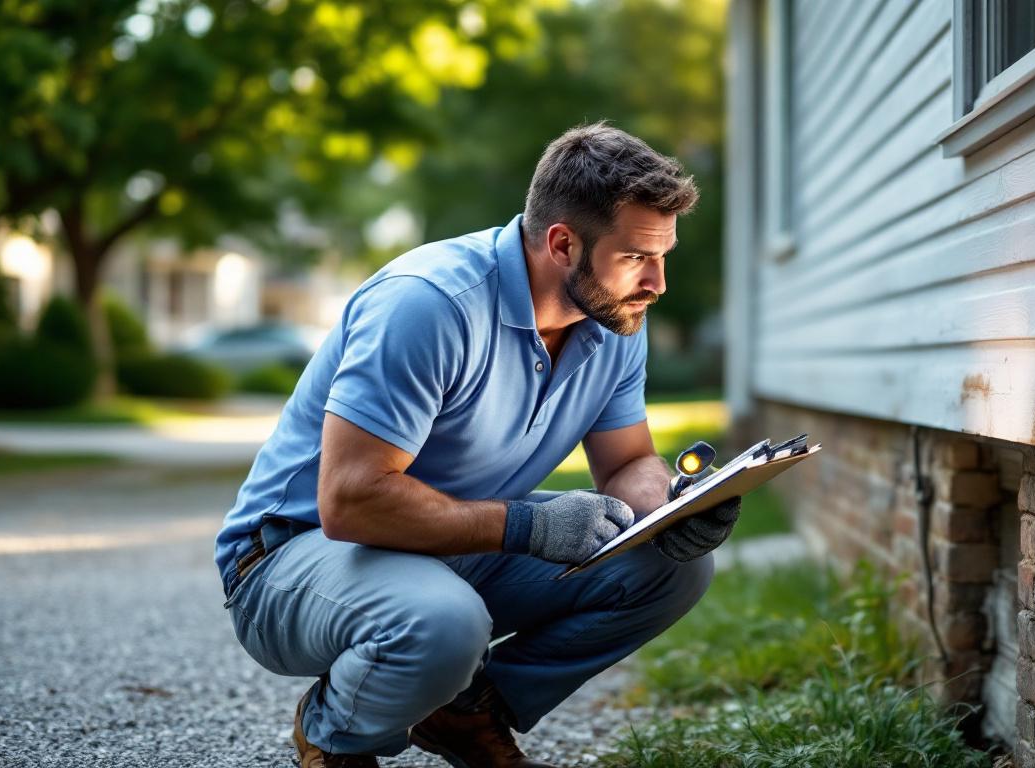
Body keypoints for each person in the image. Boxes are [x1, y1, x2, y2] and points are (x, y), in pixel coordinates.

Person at [213, 123, 741, 768]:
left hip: (453, 545)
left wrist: (675, 511)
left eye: (664, 255)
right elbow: (350, 503)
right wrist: (527, 525)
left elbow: (628, 462)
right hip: (293, 556)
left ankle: (465, 714)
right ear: (563, 243)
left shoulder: (614, 319)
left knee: (671, 568)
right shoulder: (429, 305)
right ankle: (336, 737)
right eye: (636, 256)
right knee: (444, 624)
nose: (657, 282)